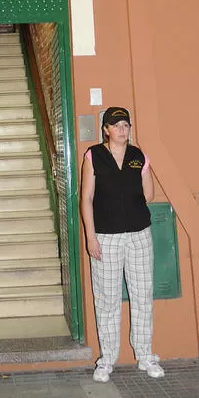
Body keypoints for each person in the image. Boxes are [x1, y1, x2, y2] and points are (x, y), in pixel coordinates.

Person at [80, 106, 164, 382]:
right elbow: (87, 199)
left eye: (125, 124)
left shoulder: (138, 156)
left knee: (142, 296)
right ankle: (107, 360)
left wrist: (146, 169)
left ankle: (145, 355)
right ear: (106, 129)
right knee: (107, 299)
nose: (121, 129)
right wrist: (90, 236)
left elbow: (148, 195)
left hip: (139, 235)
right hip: (105, 237)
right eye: (115, 125)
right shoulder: (94, 156)